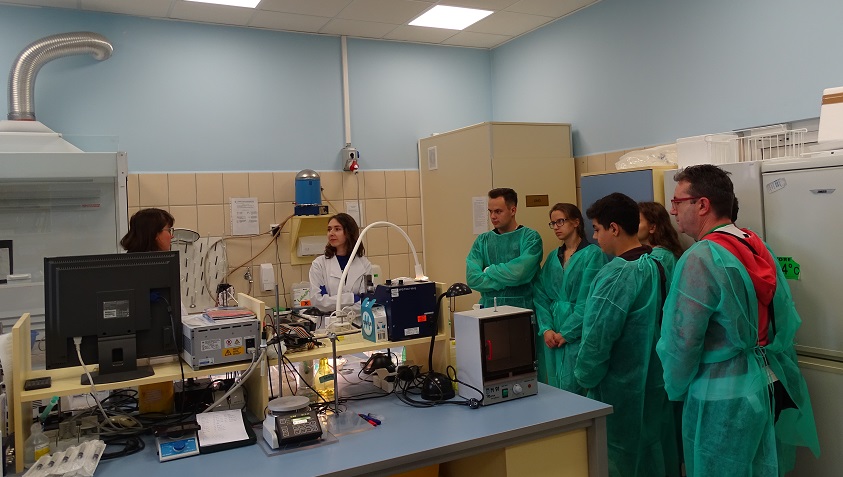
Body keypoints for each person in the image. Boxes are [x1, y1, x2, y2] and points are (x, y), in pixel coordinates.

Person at [657, 164, 820, 477]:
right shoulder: (755, 244)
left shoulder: (701, 257)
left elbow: (683, 340)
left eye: (677, 202)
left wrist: (673, 387)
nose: (673, 210)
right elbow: (784, 320)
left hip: (721, 396)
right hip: (766, 383)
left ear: (702, 205)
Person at [574, 193, 677, 477]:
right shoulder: (656, 264)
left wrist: (583, 379)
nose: (595, 237)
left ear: (614, 228)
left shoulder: (616, 275)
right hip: (655, 383)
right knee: (653, 454)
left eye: (597, 229)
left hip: (619, 393)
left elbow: (597, 339)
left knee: (621, 461)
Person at [532, 203, 606, 392]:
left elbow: (589, 302)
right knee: (555, 387)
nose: (556, 227)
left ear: (575, 222)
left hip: (579, 335)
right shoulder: (553, 258)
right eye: (553, 223)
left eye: (560, 221)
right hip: (552, 336)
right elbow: (540, 295)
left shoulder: (593, 255)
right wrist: (547, 328)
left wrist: (566, 333)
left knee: (577, 388)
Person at [466, 188, 543, 309]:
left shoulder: (530, 238)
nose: (493, 216)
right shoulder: (482, 241)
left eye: (498, 211)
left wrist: (488, 271)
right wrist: (509, 280)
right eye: (490, 211)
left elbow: (519, 273)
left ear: (513, 210)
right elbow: (473, 279)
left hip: (523, 310)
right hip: (490, 311)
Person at [309, 213, 372, 313]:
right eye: (329, 229)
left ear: (349, 232)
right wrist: (352, 298)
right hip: (328, 321)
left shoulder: (364, 264)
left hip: (356, 320)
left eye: (337, 229)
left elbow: (367, 301)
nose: (331, 233)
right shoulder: (319, 264)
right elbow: (318, 301)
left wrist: (331, 301)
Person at [637, 201, 683, 281]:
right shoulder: (648, 255)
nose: (631, 226)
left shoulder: (661, 257)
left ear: (652, 227)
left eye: (637, 222)